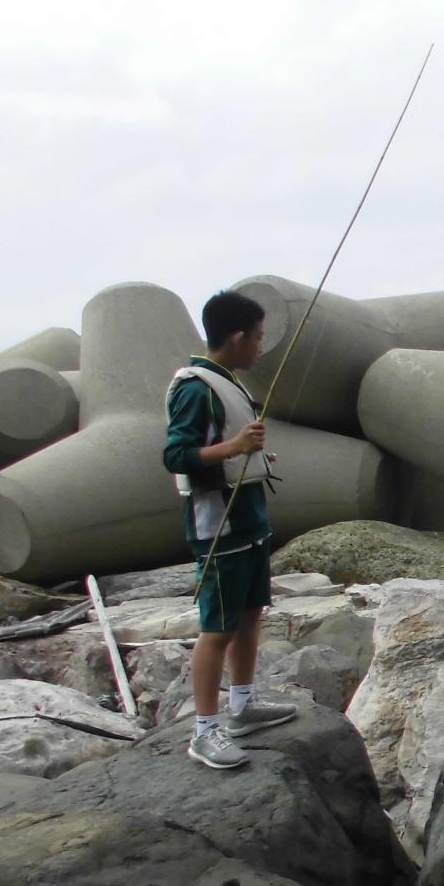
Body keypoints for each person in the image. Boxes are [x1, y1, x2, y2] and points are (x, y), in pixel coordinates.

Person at [162, 289, 298, 770]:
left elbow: (227, 445)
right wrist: (238, 447)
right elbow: (175, 456)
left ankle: (242, 703)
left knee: (250, 611)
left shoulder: (227, 382)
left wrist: (252, 453)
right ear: (237, 336)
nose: (261, 347)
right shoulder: (195, 387)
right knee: (216, 627)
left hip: (249, 518)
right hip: (218, 523)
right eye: (258, 337)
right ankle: (205, 730)